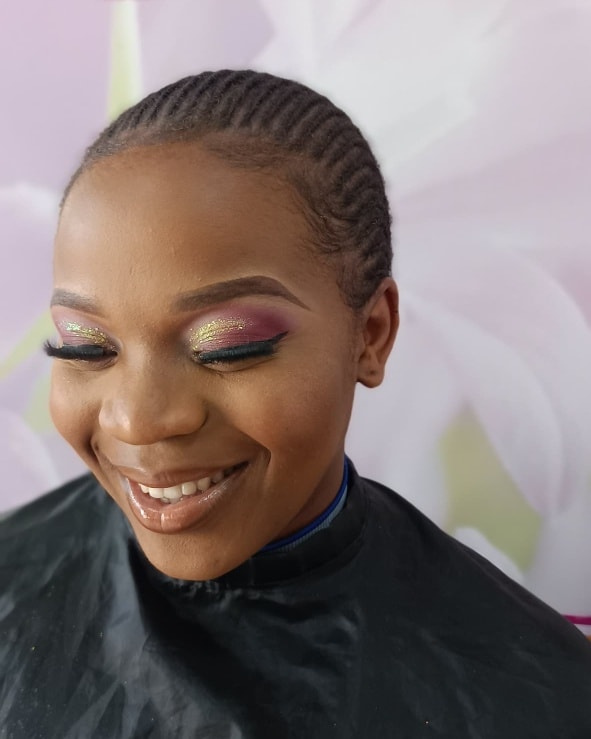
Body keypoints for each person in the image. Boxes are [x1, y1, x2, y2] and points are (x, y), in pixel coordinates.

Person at [0, 70, 590, 739]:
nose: (136, 418)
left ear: (371, 334)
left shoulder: (540, 702)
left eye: (227, 346)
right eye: (85, 347)